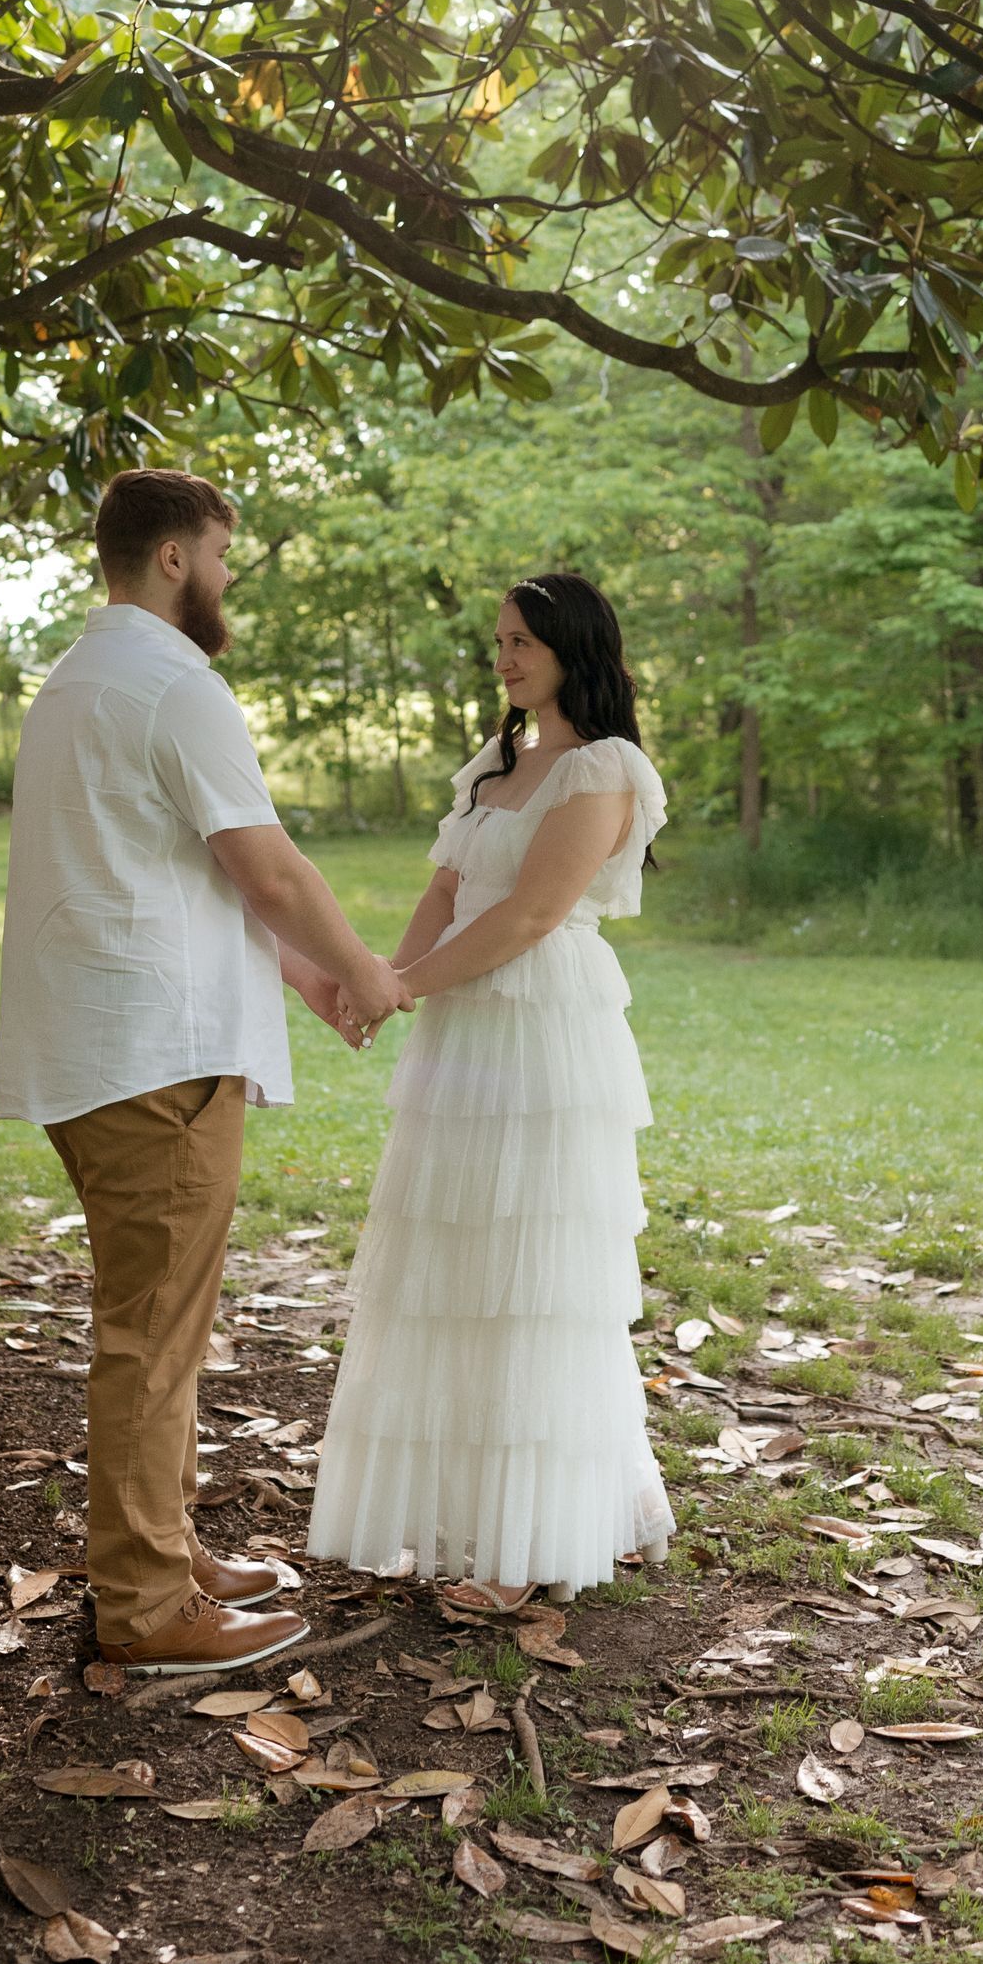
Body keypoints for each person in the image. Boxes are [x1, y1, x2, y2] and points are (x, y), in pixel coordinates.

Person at [0, 467, 411, 1675]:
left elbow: (174, 878)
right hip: (157, 1061)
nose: (228, 580)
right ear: (176, 555)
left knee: (160, 1320)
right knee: (151, 1333)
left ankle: (165, 1552)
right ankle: (144, 1607)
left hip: (105, 1049)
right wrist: (366, 972)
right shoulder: (176, 683)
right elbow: (264, 865)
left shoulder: (77, 680)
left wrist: (307, 980)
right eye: (224, 553)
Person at [308, 571, 674, 1608]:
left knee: (536, 1270)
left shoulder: (602, 768)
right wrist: (380, 981)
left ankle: (550, 1521)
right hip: (464, 1018)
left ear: (575, 648)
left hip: (537, 1025)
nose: (506, 657)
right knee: (455, 1257)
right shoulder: (499, 760)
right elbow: (447, 887)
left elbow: (527, 915)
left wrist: (404, 984)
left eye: (524, 641)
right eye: (500, 640)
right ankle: (469, 1503)